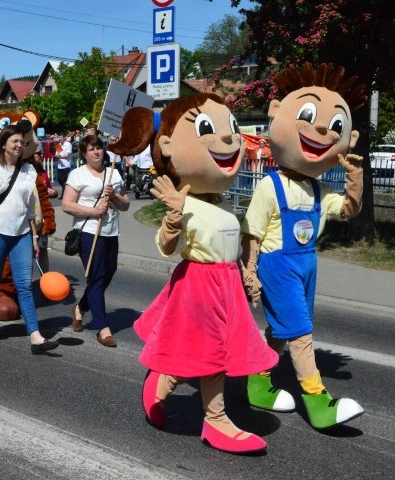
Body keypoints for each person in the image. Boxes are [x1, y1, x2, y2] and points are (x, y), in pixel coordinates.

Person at [109, 93, 278, 453]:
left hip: (226, 282)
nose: (228, 139)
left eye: (230, 128)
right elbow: (166, 247)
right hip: (200, 284)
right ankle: (216, 421)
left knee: (206, 351)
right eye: (207, 129)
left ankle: (161, 384)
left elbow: (231, 244)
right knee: (212, 355)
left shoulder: (221, 201)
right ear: (168, 145)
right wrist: (171, 218)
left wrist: (247, 276)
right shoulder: (182, 201)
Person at [243, 63, 366, 430]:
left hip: (307, 264)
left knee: (283, 329)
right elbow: (251, 232)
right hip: (277, 266)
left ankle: (258, 382)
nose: (323, 130)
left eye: (336, 126)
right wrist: (249, 271)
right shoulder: (269, 186)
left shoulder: (318, 189)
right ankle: (317, 401)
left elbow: (346, 210)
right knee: (299, 332)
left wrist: (355, 183)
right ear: (278, 114)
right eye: (309, 117)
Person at [0, 123, 59, 354]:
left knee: (24, 285)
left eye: (22, 142)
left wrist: (34, 237)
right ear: (3, 144)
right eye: (14, 141)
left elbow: (30, 209)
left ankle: (35, 335)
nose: (19, 145)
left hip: (21, 235)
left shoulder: (29, 171)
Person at [62, 135, 128, 347]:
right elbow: (67, 205)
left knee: (109, 273)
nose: (96, 152)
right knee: (97, 277)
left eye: (99, 148)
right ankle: (102, 327)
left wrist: (115, 196)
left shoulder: (114, 172)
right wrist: (93, 210)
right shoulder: (77, 174)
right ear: (84, 154)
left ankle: (80, 308)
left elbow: (125, 204)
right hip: (89, 231)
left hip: (111, 230)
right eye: (91, 149)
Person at [29, 148, 57, 273]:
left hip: (42, 215)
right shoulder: (25, 170)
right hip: (29, 215)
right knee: (28, 251)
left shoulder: (42, 172)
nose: (40, 156)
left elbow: (50, 190)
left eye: (41, 153)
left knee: (43, 248)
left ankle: (44, 278)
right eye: (37, 153)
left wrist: (53, 192)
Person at [55, 133, 73, 198]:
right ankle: (67, 192)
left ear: (64, 138)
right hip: (60, 165)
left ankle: (64, 195)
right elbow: (56, 154)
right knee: (60, 180)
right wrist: (60, 156)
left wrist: (60, 156)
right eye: (59, 137)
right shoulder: (58, 145)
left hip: (66, 165)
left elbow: (67, 154)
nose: (60, 138)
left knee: (64, 180)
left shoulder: (68, 144)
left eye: (61, 137)